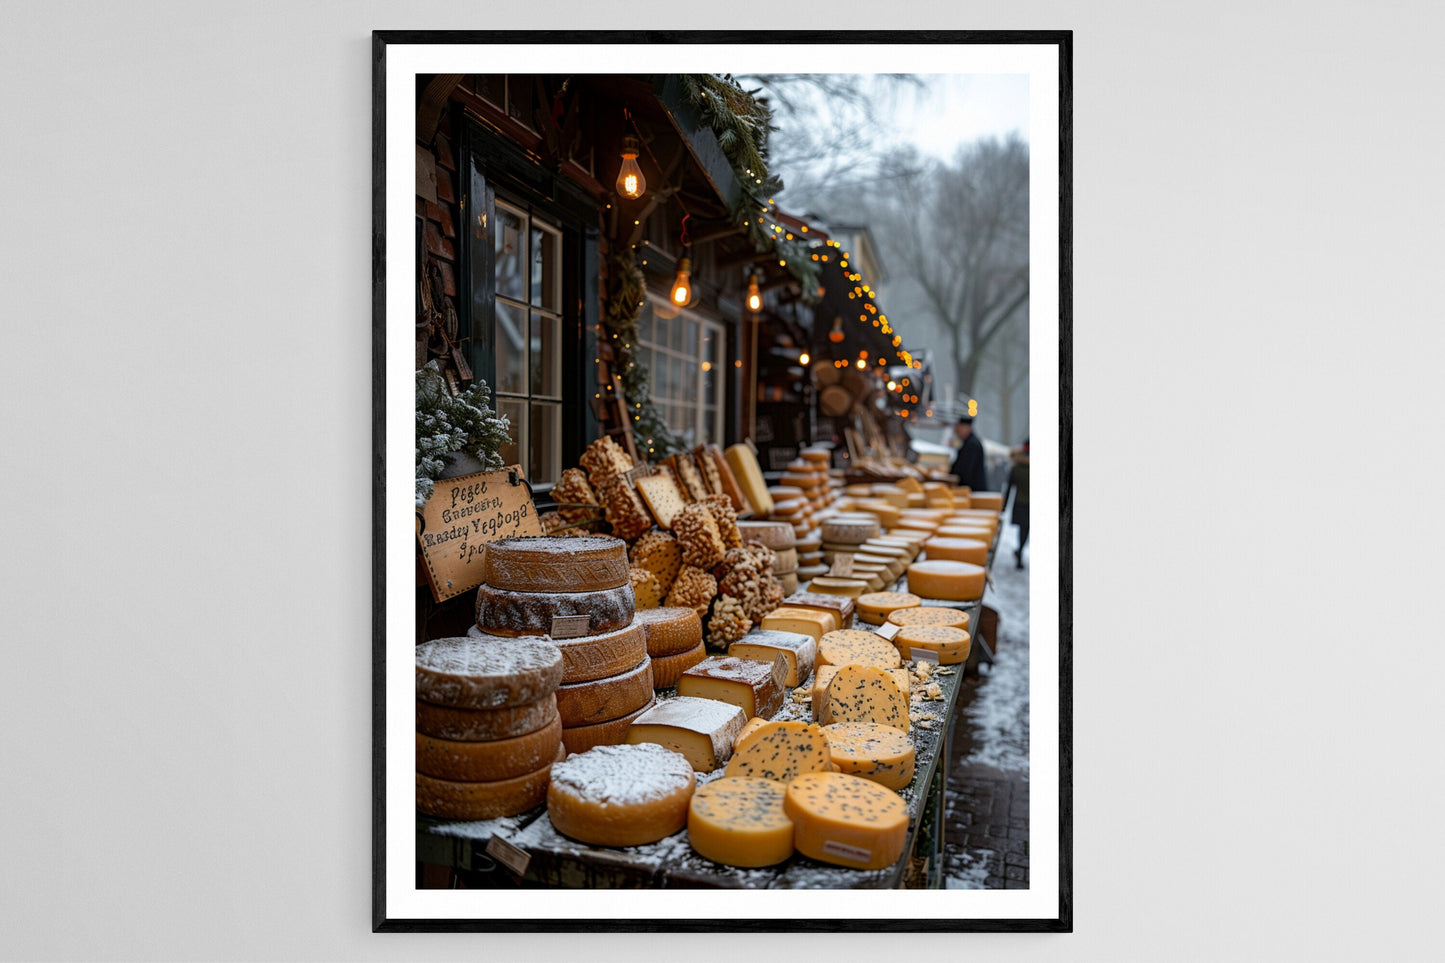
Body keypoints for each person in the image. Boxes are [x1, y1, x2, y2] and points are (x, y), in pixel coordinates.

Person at [1005, 438, 1030, 568]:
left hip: (1020, 502)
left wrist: (1003, 507)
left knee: (1022, 529)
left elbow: (1009, 488)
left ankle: (1019, 550)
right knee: (1026, 529)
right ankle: (1020, 550)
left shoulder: (1016, 466)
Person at [950, 415, 989, 493]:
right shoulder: (969, 443)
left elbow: (965, 469)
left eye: (959, 428)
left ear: (967, 428)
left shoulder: (972, 444)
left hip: (973, 490)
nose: (957, 431)